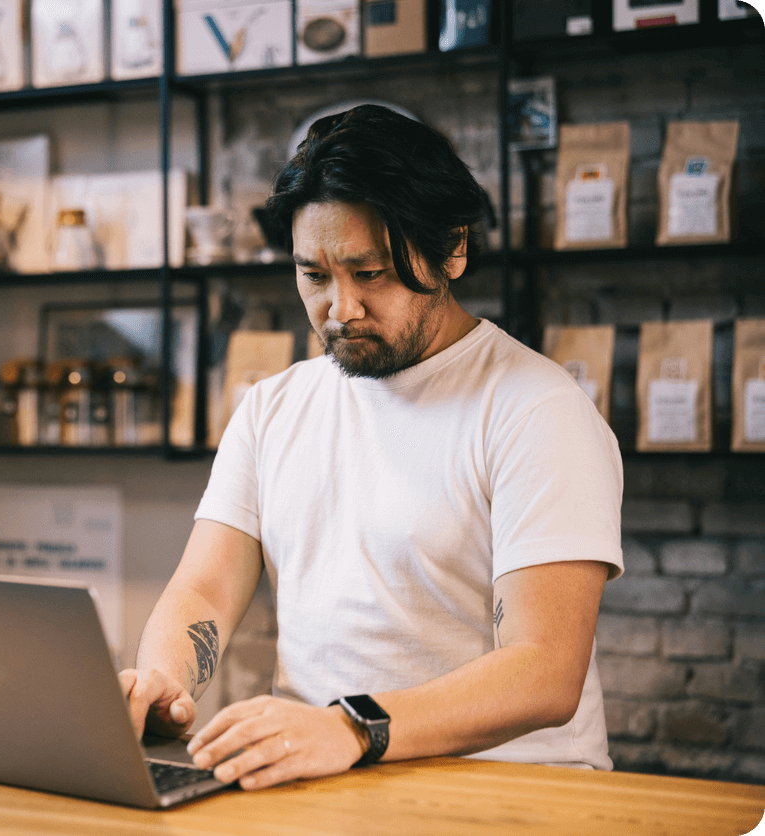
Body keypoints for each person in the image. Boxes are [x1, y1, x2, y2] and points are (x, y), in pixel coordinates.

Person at [119, 104, 623, 791]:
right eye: (314, 276)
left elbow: (543, 670)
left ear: (452, 248)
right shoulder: (271, 407)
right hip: (323, 783)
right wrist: (163, 684)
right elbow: (203, 589)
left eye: (370, 273)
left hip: (514, 792)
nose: (340, 309)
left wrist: (349, 727)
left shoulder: (535, 410)